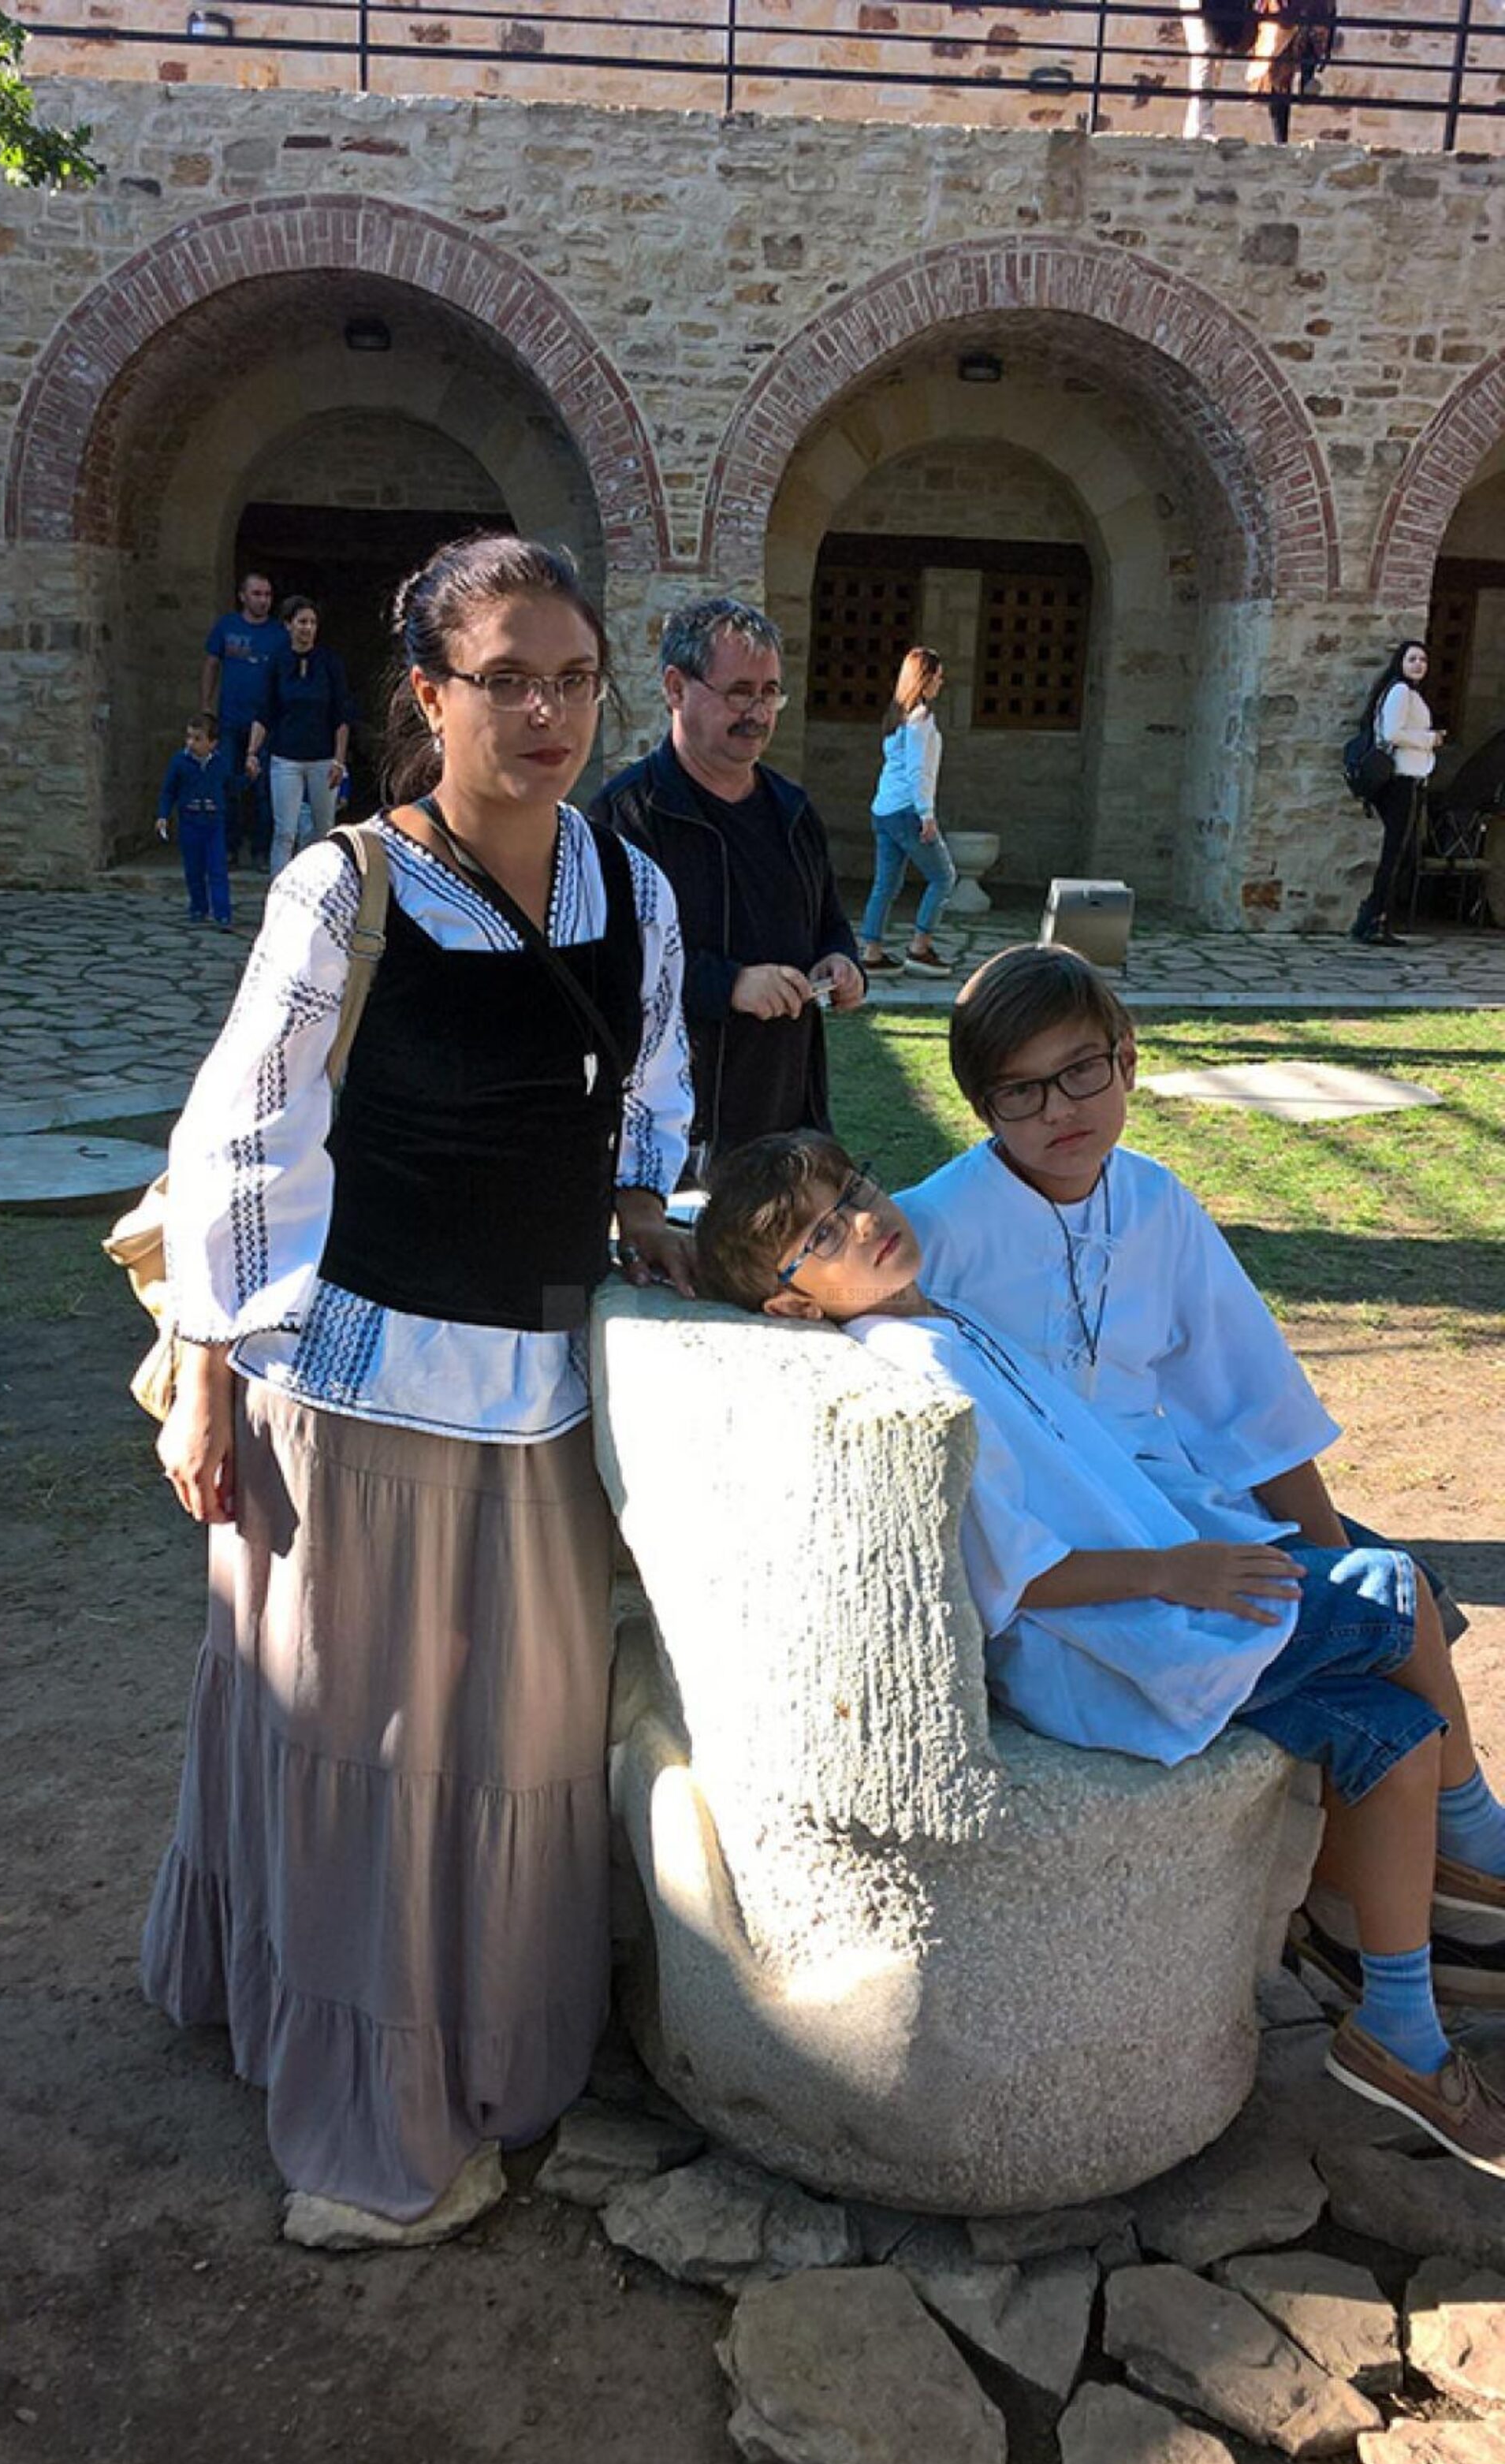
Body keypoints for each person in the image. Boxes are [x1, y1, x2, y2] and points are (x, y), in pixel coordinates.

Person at [143, 534, 694, 2246]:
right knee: (363, 1751)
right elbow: (243, 1139)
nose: (545, 713)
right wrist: (208, 1377)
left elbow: (651, 1096)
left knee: (513, 1749)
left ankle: (498, 2047)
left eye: (573, 679)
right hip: (355, 1397)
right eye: (505, 679)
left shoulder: (634, 885)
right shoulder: (349, 886)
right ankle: (366, 2103)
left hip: (544, 1397)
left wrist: (645, 1216)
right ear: (431, 694)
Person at [695, 1130, 1505, 2176]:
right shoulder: (915, 1376)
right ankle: (1479, 1848)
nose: (862, 1218)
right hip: (1116, 1643)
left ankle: (1397, 2030)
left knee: (1397, 1729)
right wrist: (1176, 1573)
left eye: (853, 1187)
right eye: (821, 1232)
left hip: (1156, 1607)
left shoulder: (942, 1320)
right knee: (1395, 1592)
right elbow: (1010, 1576)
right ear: (795, 1305)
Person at [898, 940, 1492, 1993]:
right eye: (1020, 1091)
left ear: (1127, 1059)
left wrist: (1323, 1553)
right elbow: (808, 1267)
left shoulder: (1155, 1201)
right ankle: (1473, 1847)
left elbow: (1247, 1401)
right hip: (1077, 1567)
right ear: (981, 1106)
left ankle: (1376, 1965)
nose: (1059, 1109)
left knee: (1404, 1634)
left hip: (1175, 1508)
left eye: (1081, 1070)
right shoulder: (933, 1229)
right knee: (1396, 1604)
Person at [588, 594, 864, 1179]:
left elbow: (830, 922)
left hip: (792, 1115)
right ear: (676, 688)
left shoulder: (793, 810)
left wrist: (841, 960)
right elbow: (610, 969)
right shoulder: (627, 816)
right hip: (681, 1135)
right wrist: (730, 985)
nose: (758, 713)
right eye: (740, 692)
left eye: (770, 693)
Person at [859, 646, 957, 978]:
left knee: (885, 884)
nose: (941, 683)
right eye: (938, 677)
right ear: (925, 679)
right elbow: (918, 770)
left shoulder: (897, 716)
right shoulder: (921, 718)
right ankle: (920, 948)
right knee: (943, 877)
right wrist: (926, 814)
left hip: (884, 809)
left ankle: (871, 953)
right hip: (907, 811)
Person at [246, 595, 352, 880]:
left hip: (323, 758)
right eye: (302, 622)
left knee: (323, 830)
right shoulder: (277, 662)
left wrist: (339, 761)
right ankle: (280, 890)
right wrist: (252, 752)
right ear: (288, 625)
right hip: (286, 758)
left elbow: (341, 715)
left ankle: (320, 888)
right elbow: (264, 711)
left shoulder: (329, 663)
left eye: (312, 623)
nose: (307, 628)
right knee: (285, 832)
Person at [1350, 640, 1444, 947]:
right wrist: (1430, 739)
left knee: (1400, 852)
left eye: (1423, 660)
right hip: (1401, 780)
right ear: (1400, 662)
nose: (1419, 664)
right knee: (1396, 854)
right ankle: (1374, 919)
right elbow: (1392, 733)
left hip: (1408, 778)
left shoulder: (1406, 692)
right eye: (1412, 659)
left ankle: (1373, 916)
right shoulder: (1401, 691)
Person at [201, 569, 289, 869]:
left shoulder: (279, 635)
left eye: (267, 595)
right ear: (242, 596)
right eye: (257, 594)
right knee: (227, 784)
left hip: (265, 723)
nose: (263, 600)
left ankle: (261, 851)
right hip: (229, 720)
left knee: (265, 790)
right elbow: (211, 665)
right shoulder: (226, 627)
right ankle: (230, 848)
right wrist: (206, 705)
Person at [156, 709, 231, 929]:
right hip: (190, 820)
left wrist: (249, 777)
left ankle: (222, 913)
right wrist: (163, 815)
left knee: (217, 868)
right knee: (194, 869)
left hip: (214, 822)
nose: (191, 743)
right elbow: (169, 791)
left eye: (198, 739)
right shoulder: (180, 763)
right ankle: (198, 907)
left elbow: (231, 786)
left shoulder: (220, 764)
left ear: (212, 743)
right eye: (189, 737)